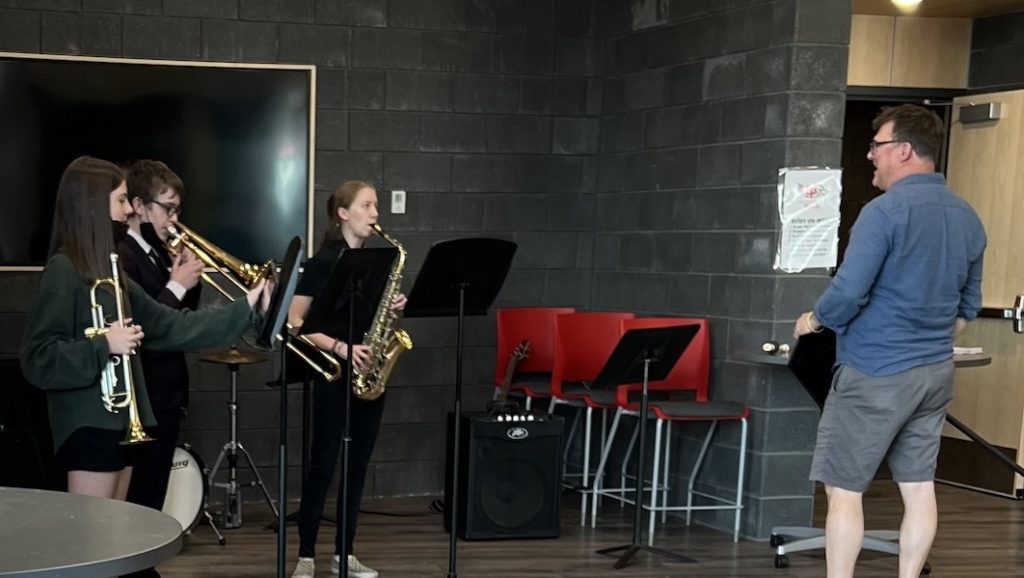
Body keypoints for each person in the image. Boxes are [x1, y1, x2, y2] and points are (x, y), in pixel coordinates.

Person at [793, 104, 986, 578]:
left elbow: (849, 291)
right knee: (919, 487)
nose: (870, 155)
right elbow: (967, 310)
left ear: (903, 150)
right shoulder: (967, 217)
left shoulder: (883, 214)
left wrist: (814, 321)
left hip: (875, 372)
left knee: (843, 489)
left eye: (877, 146)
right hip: (934, 374)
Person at [21, 155, 272, 504]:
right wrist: (104, 344)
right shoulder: (64, 270)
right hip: (89, 426)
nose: (128, 211)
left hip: (121, 425)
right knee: (93, 540)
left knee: (117, 539)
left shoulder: (112, 274)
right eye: (121, 200)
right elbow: (38, 358)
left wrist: (247, 306)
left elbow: (171, 325)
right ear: (94, 205)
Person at [290, 181, 406, 578]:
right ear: (343, 213)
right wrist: (341, 348)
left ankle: (345, 552)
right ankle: (306, 555)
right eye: (367, 205)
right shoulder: (323, 261)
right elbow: (295, 323)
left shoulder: (374, 264)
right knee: (323, 464)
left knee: (357, 466)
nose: (376, 214)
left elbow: (369, 320)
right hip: (334, 371)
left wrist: (390, 311)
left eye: (376, 205)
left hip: (369, 372)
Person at [116, 160, 204, 578]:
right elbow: (146, 329)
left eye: (176, 209)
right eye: (167, 208)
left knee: (154, 493)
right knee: (140, 495)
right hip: (144, 391)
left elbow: (184, 319)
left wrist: (187, 277)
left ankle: (142, 565)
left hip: (168, 390)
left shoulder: (155, 253)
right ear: (138, 205)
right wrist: (176, 284)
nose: (174, 219)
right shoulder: (124, 258)